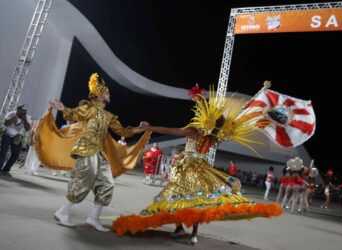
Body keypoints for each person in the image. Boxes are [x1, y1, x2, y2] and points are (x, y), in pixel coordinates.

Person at [112, 90, 282, 245]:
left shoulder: (194, 131)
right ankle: (189, 232)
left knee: (180, 199)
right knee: (194, 201)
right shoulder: (214, 138)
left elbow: (170, 130)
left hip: (188, 168)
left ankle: (184, 230)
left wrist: (149, 127)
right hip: (201, 168)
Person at [39, 73, 150, 232]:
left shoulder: (108, 116)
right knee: (84, 181)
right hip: (86, 150)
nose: (109, 95)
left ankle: (93, 218)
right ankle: (62, 212)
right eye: (106, 92)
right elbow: (75, 114)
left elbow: (123, 132)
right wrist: (63, 108)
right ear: (99, 94)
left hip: (100, 153)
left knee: (107, 184)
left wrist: (140, 128)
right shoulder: (89, 109)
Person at [0, 104, 31, 177]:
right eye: (22, 111)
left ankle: (6, 170)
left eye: (25, 111)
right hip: (7, 135)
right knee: (3, 153)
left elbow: (27, 129)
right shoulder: (11, 114)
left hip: (16, 137)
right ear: (18, 110)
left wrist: (25, 120)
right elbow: (6, 124)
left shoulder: (26, 117)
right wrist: (14, 118)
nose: (23, 113)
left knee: (16, 154)